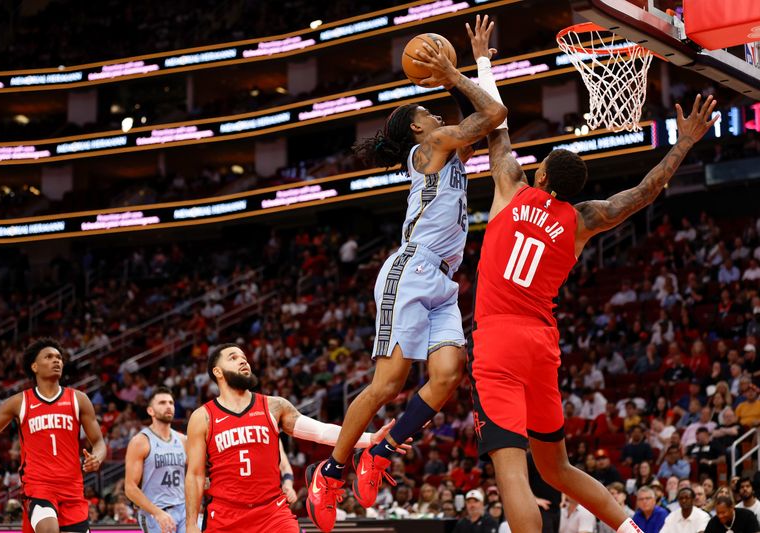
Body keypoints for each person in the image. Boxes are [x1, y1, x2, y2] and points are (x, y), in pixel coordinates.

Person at [467, 37, 719, 530]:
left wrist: (481, 61)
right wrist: (685, 141)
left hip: (496, 339)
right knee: (555, 467)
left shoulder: (511, 187)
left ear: (540, 174)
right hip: (540, 343)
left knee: (513, 472)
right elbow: (645, 192)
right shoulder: (584, 219)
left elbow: (494, 121)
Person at [305, 17, 508, 533]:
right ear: (418, 128)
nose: (436, 110)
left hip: (442, 278)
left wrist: (470, 68)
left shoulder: (446, 146)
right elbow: (494, 112)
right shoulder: (432, 146)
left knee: (447, 376)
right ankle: (331, 470)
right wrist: (455, 74)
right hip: (411, 269)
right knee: (389, 382)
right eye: (427, 109)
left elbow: (484, 118)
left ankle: (384, 450)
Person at [184, 343, 404, 533]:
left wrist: (369, 438)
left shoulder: (273, 406)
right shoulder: (203, 417)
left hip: (271, 513)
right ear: (217, 372)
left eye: (244, 358)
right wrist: (192, 524)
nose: (243, 361)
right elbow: (194, 475)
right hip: (225, 517)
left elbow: (320, 431)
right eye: (233, 358)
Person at [0, 337, 106, 533]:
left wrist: (97, 456)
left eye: (59, 357)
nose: (57, 361)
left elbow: (98, 442)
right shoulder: (19, 402)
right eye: (49, 357)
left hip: (72, 489)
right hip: (39, 487)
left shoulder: (79, 399)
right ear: (35, 366)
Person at [125, 386, 187, 533]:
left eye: (171, 403)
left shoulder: (183, 440)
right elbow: (130, 488)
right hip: (156, 512)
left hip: (183, 509)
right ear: (150, 411)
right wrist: (157, 513)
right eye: (162, 403)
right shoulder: (140, 441)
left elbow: (194, 477)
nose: (168, 407)